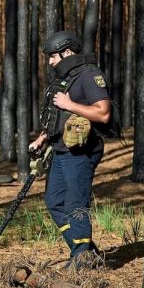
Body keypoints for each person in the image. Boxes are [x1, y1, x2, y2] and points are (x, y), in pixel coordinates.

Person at [28, 29, 111, 269]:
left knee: (76, 204)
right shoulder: (65, 78)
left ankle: (81, 259)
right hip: (61, 149)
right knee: (54, 201)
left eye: (53, 56)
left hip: (82, 151)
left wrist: (70, 104)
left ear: (66, 52)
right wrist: (43, 137)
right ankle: (86, 251)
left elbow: (103, 113)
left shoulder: (89, 76)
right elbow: (59, 115)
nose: (50, 61)